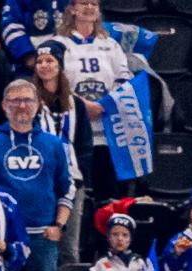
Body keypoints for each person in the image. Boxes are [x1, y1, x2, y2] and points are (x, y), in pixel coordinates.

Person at [49, 0, 167, 203]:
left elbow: (124, 81)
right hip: (73, 127)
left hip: (107, 129)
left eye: (93, 4)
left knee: (107, 195)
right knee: (76, 192)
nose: (89, 7)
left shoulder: (110, 44)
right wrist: (82, 105)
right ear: (72, 9)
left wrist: (105, 105)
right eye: (84, 3)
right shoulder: (59, 44)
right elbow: (54, 81)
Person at [0, 79, 68, 271]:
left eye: (28, 100)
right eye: (15, 100)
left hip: (42, 238)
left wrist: (59, 225)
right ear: (4, 105)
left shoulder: (54, 144)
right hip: (1, 237)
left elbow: (66, 189)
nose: (22, 106)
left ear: (38, 105)